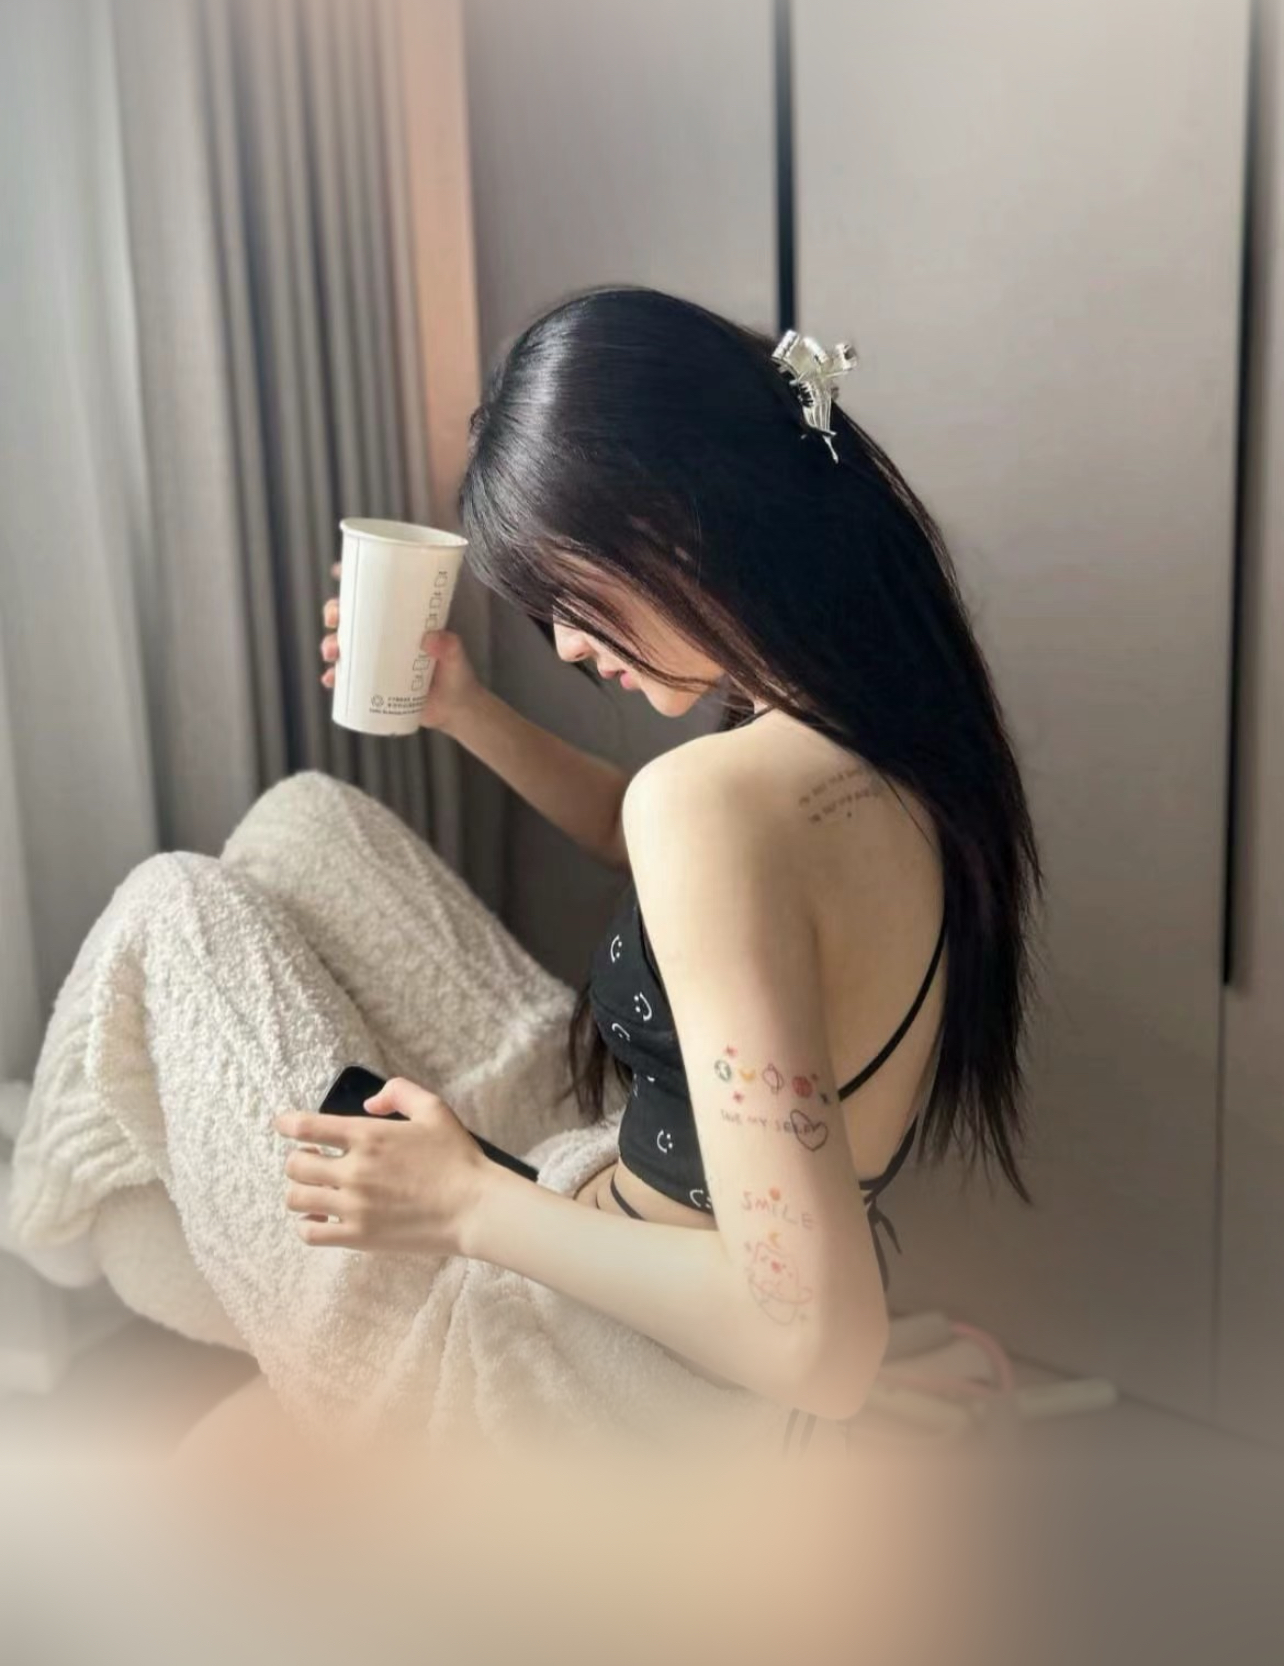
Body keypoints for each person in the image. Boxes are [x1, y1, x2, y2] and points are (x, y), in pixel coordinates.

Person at [180, 283, 1043, 1470]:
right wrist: (463, 708)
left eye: (566, 598)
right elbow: (668, 855)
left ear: (668, 520)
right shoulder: (884, 731)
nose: (572, 647)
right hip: (630, 1253)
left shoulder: (714, 804)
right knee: (300, 825)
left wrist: (468, 1203)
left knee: (174, 910)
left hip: (592, 1374)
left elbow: (815, 1341)